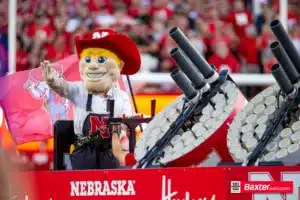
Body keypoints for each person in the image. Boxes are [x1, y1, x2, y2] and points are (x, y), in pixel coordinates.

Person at [41, 29, 141, 170]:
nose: (93, 66)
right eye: (88, 60)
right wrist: (52, 80)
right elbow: (63, 87)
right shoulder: (80, 90)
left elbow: (126, 118)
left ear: (119, 66)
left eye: (101, 60)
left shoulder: (121, 96)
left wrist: (130, 124)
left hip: (111, 151)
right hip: (84, 150)